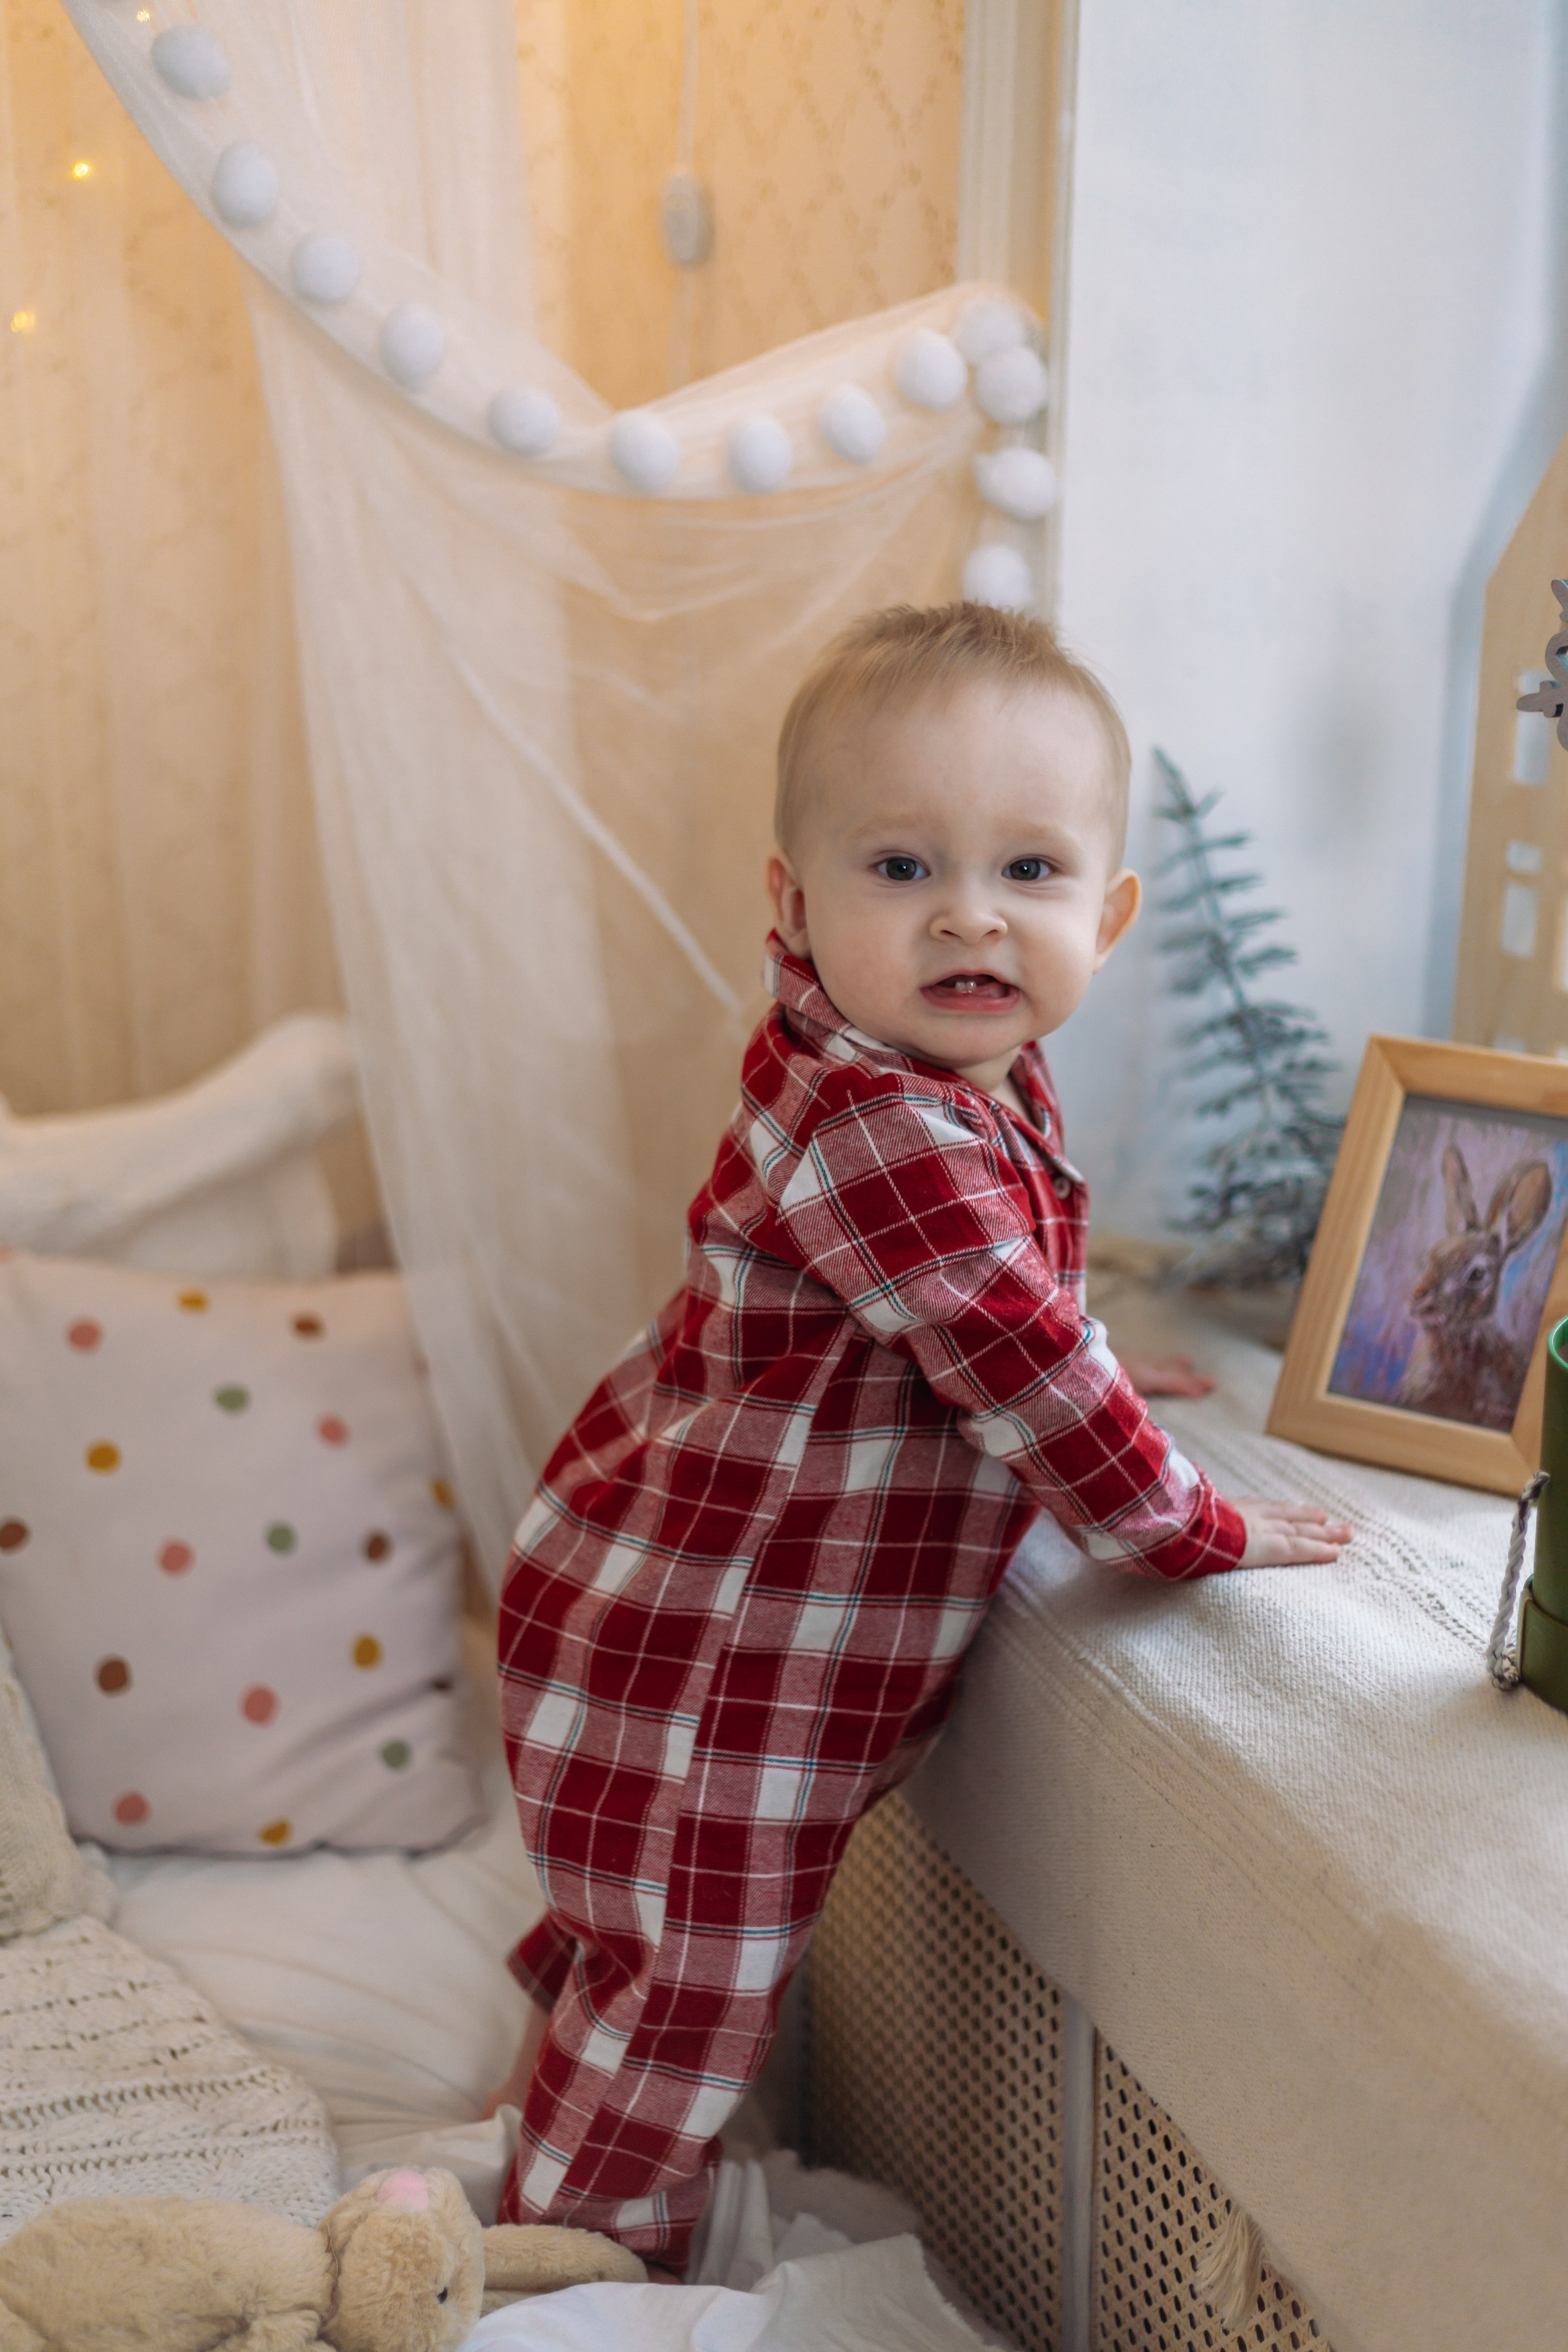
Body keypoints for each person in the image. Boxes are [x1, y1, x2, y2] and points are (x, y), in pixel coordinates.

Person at [485, 602, 1351, 2269]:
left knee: (643, 1934)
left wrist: (1100, 1344)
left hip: (706, 1617)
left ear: (1109, 915)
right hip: (701, 1645)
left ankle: (544, 2123)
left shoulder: (962, 1078)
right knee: (691, 1982)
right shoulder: (877, 1112)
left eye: (1030, 873)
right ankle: (566, 2277)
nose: (970, 913)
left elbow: (1002, 1302)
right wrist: (1196, 1528)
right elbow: (1013, 1355)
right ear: (790, 903)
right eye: (900, 869)